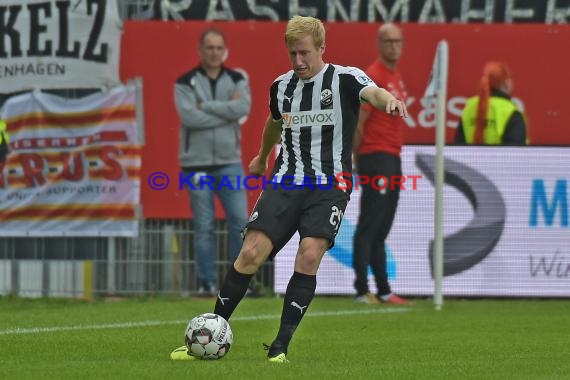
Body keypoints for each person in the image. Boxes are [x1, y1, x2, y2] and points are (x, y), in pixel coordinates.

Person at [170, 15, 408, 363]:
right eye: (293, 53)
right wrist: (263, 156)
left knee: (310, 254)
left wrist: (387, 101)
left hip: (330, 185)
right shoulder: (281, 86)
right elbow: (273, 121)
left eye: (305, 53)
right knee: (250, 253)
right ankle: (208, 333)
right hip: (286, 180)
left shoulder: (344, 78)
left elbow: (372, 91)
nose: (298, 62)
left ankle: (279, 348)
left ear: (322, 48)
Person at [174, 28, 252, 296]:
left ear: (225, 50)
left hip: (230, 162)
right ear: (200, 50)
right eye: (209, 47)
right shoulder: (185, 82)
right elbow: (188, 117)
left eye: (219, 47)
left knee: (240, 221)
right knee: (204, 225)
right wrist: (224, 112)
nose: (214, 52)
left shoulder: (237, 78)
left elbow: (242, 109)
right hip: (196, 165)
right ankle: (206, 281)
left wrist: (204, 106)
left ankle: (237, 282)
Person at [351, 24, 410, 306]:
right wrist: (355, 155)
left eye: (398, 41)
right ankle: (362, 289)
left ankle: (384, 289)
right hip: (375, 156)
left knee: (382, 226)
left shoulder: (395, 75)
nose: (394, 47)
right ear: (379, 43)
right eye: (388, 42)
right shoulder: (372, 76)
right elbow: (360, 120)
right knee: (370, 224)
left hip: (392, 156)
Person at [455, 61, 527, 145]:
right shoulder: (511, 112)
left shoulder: (469, 107)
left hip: (466, 158)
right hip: (500, 158)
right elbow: (515, 152)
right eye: (510, 78)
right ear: (506, 82)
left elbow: (458, 146)